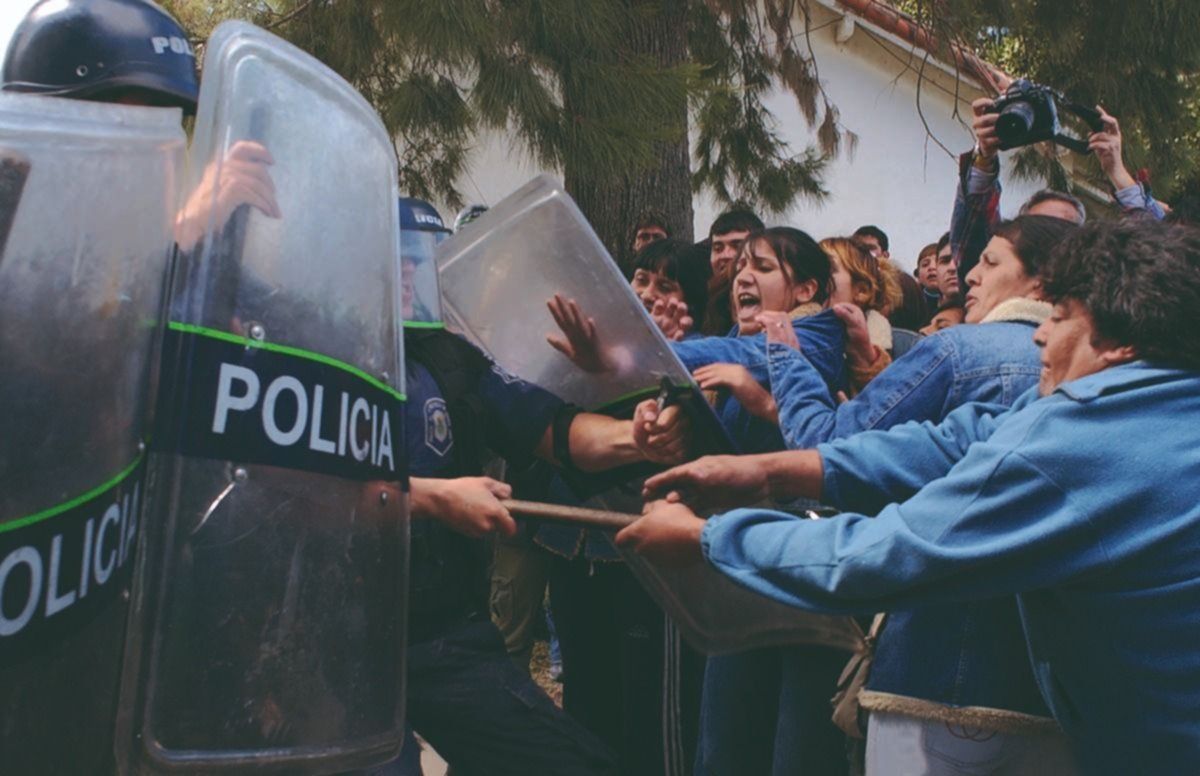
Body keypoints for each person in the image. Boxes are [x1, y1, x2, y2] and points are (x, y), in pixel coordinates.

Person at [620, 217, 1200, 775]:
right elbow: (947, 444)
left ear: (1118, 342)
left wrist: (708, 537)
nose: (1040, 332)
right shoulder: (1153, 403)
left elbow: (890, 551)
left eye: (1062, 316)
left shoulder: (1086, 437)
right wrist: (765, 473)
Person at [395, 198, 692, 776]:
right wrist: (430, 498)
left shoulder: (450, 357)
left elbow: (555, 430)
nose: (410, 271)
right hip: (336, 639)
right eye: (397, 256)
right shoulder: (318, 354)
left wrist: (637, 438)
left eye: (421, 259)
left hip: (441, 631)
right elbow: (299, 491)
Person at [952, 97, 1163, 285]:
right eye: (1036, 226)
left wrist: (1117, 171)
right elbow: (972, 233)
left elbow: (1158, 257)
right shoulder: (988, 284)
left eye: (1060, 229)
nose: (1047, 235)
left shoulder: (1092, 305)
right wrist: (985, 155)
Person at [700, 209, 764, 335]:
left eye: (737, 247)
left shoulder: (771, 300)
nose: (726, 255)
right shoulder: (701, 303)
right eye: (718, 248)